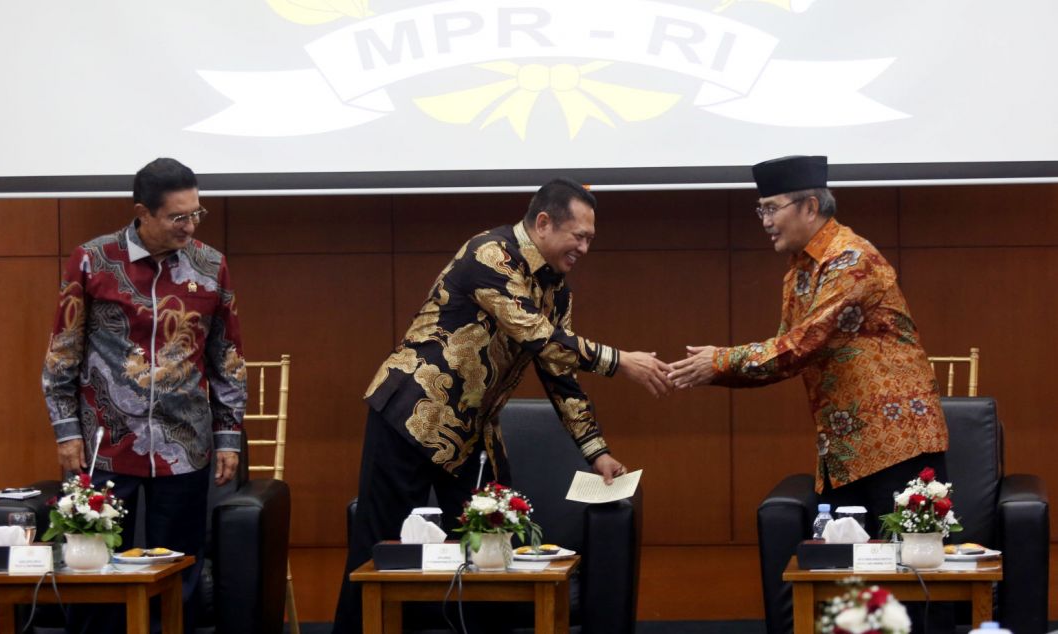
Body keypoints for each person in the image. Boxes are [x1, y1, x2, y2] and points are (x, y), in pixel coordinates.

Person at [333, 178, 673, 633]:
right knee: (378, 555)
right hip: (413, 419)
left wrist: (597, 452)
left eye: (591, 239)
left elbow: (558, 373)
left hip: (473, 435)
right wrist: (620, 361)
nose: (585, 249)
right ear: (545, 222)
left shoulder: (557, 289)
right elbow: (535, 333)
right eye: (580, 236)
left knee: (499, 552)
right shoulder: (489, 254)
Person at [667, 155, 949, 534]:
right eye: (760, 209)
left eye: (771, 208)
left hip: (895, 447)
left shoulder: (852, 261)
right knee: (842, 581)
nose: (765, 221)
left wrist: (718, 361)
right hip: (844, 450)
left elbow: (799, 346)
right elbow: (786, 356)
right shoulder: (801, 270)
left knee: (905, 574)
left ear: (810, 207)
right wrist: (706, 370)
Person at [42, 157, 247, 633]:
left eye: (197, 213)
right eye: (179, 217)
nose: (190, 225)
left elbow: (228, 356)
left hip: (184, 443)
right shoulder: (93, 259)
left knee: (179, 571)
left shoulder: (211, 264)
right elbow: (62, 351)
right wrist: (66, 430)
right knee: (95, 567)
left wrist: (229, 434)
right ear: (143, 213)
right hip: (105, 443)